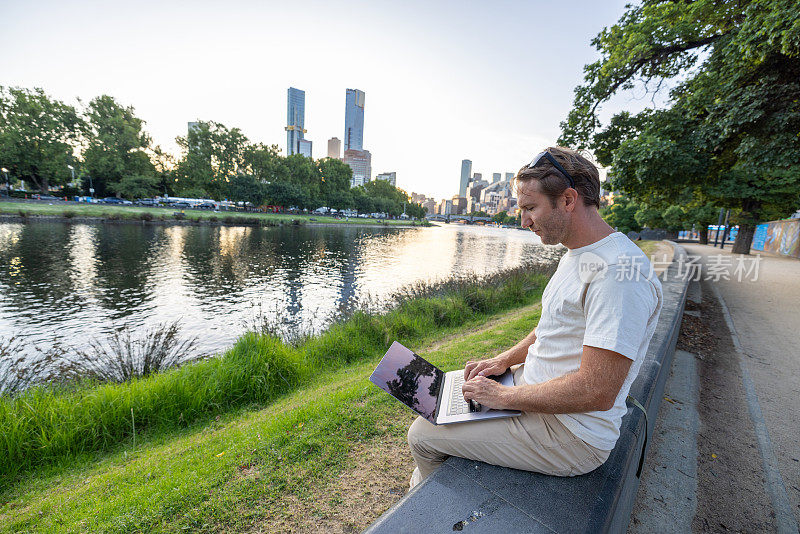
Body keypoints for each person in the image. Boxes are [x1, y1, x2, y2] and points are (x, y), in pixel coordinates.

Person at [406, 146, 663, 488]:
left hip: (571, 433)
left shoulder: (617, 274)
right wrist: (503, 361)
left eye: (530, 208)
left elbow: (597, 390)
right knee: (436, 403)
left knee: (423, 433)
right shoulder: (579, 252)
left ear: (568, 200)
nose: (523, 222)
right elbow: (552, 327)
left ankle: (439, 517)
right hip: (533, 395)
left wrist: (502, 398)